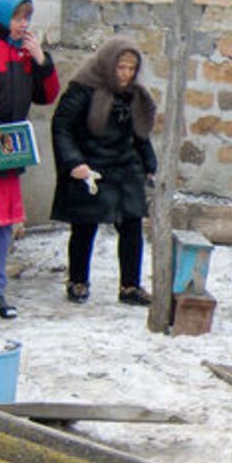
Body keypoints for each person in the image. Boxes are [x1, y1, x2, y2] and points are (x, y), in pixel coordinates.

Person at [0, 0, 59, 322]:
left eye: (27, 18)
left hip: (9, 149)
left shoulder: (22, 52)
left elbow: (47, 96)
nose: (23, 24)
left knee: (4, 224)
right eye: (17, 17)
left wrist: (41, 61)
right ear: (0, 16)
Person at [50, 36, 157, 306]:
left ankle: (130, 286)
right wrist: (74, 162)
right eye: (121, 67)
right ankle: (78, 280)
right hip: (91, 165)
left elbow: (140, 133)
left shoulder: (134, 94)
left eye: (132, 69)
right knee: (85, 226)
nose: (126, 74)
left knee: (132, 226)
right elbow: (62, 126)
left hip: (125, 166)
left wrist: (149, 164)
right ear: (109, 64)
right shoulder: (83, 89)